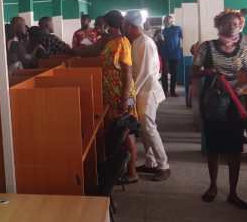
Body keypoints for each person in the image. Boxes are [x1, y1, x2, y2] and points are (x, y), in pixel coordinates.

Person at [193, 10, 247, 209]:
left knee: (234, 148)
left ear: (241, 26)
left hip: (235, 103)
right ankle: (212, 186)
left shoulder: (244, 49)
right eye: (227, 23)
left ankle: (233, 192)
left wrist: (240, 88)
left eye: (236, 24)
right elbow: (194, 72)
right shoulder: (207, 47)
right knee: (213, 147)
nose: (232, 27)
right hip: (212, 101)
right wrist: (209, 72)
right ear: (218, 25)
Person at [76, 10, 139, 183]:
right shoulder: (110, 41)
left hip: (122, 96)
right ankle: (122, 169)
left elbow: (127, 74)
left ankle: (132, 172)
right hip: (112, 96)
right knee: (119, 134)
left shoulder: (122, 43)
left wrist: (124, 100)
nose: (100, 28)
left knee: (126, 132)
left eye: (103, 25)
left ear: (109, 25)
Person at [123, 10, 170, 181]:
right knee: (144, 130)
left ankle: (164, 166)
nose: (123, 28)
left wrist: (130, 96)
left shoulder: (145, 43)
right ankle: (151, 163)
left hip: (147, 91)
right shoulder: (136, 42)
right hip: (141, 91)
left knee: (149, 129)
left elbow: (144, 74)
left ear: (130, 26)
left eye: (125, 25)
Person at [159, 14, 183, 97]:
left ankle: (172, 91)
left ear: (172, 21)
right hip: (164, 54)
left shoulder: (178, 29)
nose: (166, 22)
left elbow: (183, 38)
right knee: (164, 73)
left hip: (175, 54)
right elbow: (159, 42)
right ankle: (165, 91)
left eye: (168, 20)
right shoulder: (162, 31)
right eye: (165, 20)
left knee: (174, 73)